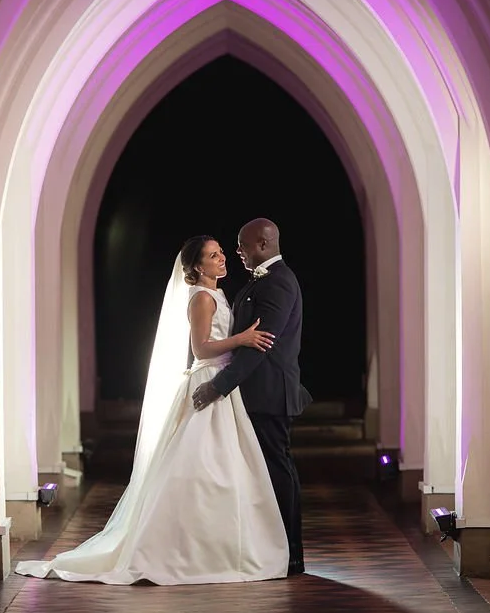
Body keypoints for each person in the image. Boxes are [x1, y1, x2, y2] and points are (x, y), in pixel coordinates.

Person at [14, 235, 288, 585]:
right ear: (197, 267)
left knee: (225, 466)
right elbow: (202, 348)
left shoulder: (216, 293)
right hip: (209, 378)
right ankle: (181, 549)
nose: (222, 259)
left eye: (221, 253)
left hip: (222, 382)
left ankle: (216, 544)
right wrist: (242, 340)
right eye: (213, 255)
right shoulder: (202, 298)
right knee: (201, 464)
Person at [191, 218, 312, 576]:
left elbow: (260, 345)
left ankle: (290, 553)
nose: (237, 252)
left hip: (269, 393)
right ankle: (266, 547)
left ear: (261, 243)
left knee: (277, 471)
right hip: (254, 393)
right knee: (261, 473)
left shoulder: (278, 282)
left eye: (241, 245)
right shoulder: (261, 281)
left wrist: (218, 385)